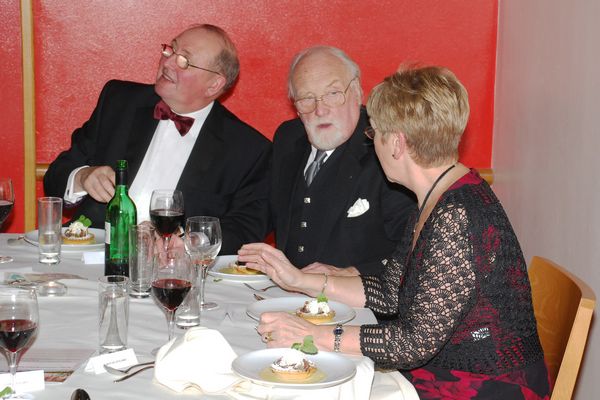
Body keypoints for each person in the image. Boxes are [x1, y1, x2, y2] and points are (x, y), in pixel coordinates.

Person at [239, 66, 550, 398]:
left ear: (397, 143)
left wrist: (314, 335)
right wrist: (301, 280)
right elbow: (390, 293)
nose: (372, 143)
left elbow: (412, 344)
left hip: (480, 386)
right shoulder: (436, 197)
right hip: (445, 374)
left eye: (374, 133)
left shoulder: (457, 216)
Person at [43, 24, 271, 254]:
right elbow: (56, 175)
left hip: (175, 267)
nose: (168, 62)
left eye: (184, 61)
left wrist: (191, 243)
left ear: (214, 84)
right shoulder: (119, 101)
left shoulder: (246, 148)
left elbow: (247, 225)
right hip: (92, 254)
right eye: (171, 50)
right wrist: (82, 177)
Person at [269, 46, 415, 275]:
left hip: (359, 294)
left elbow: (414, 249)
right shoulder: (287, 137)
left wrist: (349, 273)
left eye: (333, 94)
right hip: (281, 291)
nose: (320, 110)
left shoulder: (386, 145)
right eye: (306, 98)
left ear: (356, 91)